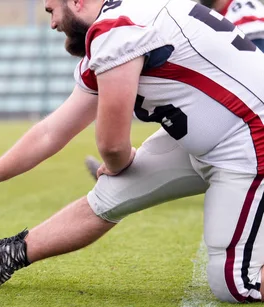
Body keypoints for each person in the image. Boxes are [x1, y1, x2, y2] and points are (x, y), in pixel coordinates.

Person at [0, 0, 264, 303]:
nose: (52, 23)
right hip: (225, 126)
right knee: (113, 193)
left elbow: (112, 145)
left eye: (52, 10)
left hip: (249, 135)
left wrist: (120, 160)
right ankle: (1, 258)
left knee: (235, 282)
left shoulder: (115, 30)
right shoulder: (126, 20)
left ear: (78, 1)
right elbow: (51, 132)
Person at [85, 0, 264, 177]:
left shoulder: (244, 10)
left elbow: (253, 72)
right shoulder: (202, 11)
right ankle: (121, 179)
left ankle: (122, 176)